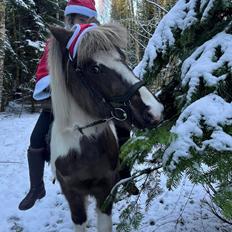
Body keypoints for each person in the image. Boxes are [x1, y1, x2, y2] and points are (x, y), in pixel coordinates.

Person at [18, 0, 137, 211]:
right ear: (70, 18)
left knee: (122, 126)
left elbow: (110, 67)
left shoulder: (97, 41)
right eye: (79, 19)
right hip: (63, 101)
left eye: (87, 20)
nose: (82, 24)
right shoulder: (55, 42)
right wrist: (57, 87)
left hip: (95, 99)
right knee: (36, 138)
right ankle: (36, 187)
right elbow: (44, 72)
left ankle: (124, 174)